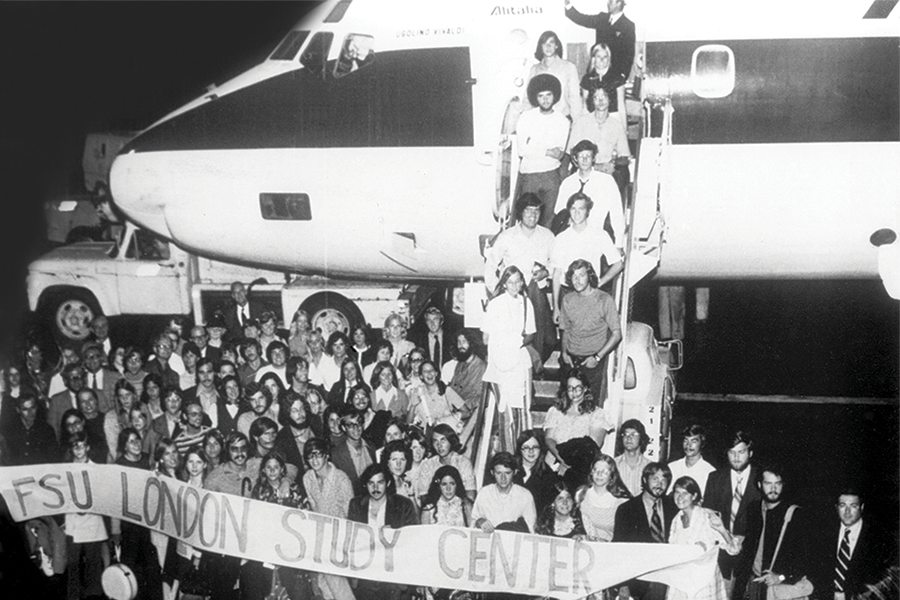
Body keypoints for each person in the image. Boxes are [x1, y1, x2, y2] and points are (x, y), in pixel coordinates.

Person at [484, 193, 557, 363]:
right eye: (528, 211)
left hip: (537, 293)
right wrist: (497, 292)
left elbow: (556, 264)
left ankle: (534, 365)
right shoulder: (507, 236)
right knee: (515, 337)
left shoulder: (547, 236)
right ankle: (516, 364)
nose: (533, 215)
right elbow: (491, 265)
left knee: (549, 339)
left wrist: (546, 272)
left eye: (537, 211)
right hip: (513, 296)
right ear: (520, 213)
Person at [482, 266, 536, 452]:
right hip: (499, 364)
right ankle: (508, 455)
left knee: (524, 410)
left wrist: (516, 343)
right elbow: (486, 337)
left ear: (522, 282)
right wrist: (503, 347)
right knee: (505, 411)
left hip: (520, 362)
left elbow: (530, 334)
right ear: (504, 283)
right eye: (510, 281)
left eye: (518, 281)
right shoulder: (495, 304)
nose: (515, 285)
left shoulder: (527, 303)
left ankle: (525, 455)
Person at [739, 465, 813, 600]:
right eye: (768, 483)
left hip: (778, 587)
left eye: (777, 484)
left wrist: (780, 577)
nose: (773, 489)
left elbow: (804, 559)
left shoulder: (796, 515)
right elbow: (748, 551)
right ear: (759, 484)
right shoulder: (754, 509)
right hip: (754, 584)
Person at [703, 431, 761, 598]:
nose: (736, 457)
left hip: (752, 555)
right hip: (722, 555)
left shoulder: (761, 478)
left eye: (741, 452)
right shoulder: (715, 478)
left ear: (750, 453)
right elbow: (709, 516)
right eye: (732, 452)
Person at [244, 453, 310, 600]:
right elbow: (254, 520)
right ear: (263, 471)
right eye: (269, 467)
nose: (272, 471)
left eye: (276, 467)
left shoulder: (294, 489)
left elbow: (306, 515)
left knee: (295, 584)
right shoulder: (259, 491)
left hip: (292, 546)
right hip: (267, 546)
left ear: (282, 470)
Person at [347, 464, 418, 600]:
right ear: (365, 485)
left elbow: (412, 540)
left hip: (393, 577)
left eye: (380, 483)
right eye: (371, 483)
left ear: (388, 483)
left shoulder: (403, 505)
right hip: (366, 575)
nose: (375, 488)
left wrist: (395, 536)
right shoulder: (356, 505)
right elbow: (350, 539)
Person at [558, 258, 623, 403]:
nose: (577, 280)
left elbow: (617, 334)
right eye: (574, 277)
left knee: (590, 407)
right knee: (568, 406)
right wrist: (564, 353)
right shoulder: (567, 299)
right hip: (570, 361)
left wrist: (597, 357)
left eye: (581, 275)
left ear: (590, 276)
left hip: (592, 362)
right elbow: (565, 329)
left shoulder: (604, 299)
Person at [667, 476, 741, 600]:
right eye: (677, 492)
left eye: (685, 493)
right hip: (682, 582)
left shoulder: (707, 516)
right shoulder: (676, 520)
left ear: (694, 496)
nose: (680, 497)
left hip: (705, 583)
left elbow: (734, 549)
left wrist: (722, 529)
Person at [551, 194, 624, 319]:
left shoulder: (599, 234)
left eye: (581, 209)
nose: (577, 213)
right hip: (567, 293)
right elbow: (557, 273)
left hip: (590, 293)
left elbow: (618, 264)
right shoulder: (561, 238)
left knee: (590, 334)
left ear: (588, 211)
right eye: (573, 209)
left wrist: (599, 283)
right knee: (567, 336)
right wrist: (556, 307)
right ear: (569, 211)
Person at [301, 438, 356, 600]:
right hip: (320, 538)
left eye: (318, 455)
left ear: (326, 456)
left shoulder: (341, 479)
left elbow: (349, 514)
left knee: (337, 584)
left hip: (339, 539)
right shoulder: (308, 478)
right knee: (323, 584)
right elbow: (313, 507)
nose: (315, 460)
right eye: (310, 456)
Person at [613, 462, 677, 600]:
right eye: (655, 479)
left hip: (668, 579)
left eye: (664, 480)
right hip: (638, 583)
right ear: (644, 480)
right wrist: (623, 585)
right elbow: (619, 549)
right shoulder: (626, 509)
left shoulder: (673, 507)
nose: (659, 484)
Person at [113, 427, 163, 600]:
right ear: (124, 446)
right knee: (132, 569)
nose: (136, 444)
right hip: (128, 524)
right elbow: (115, 500)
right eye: (131, 441)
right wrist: (115, 529)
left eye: (137, 439)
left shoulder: (147, 461)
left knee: (152, 567)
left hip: (147, 523)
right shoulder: (118, 465)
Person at [516, 73, 571, 228]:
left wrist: (534, 146)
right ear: (535, 97)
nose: (545, 99)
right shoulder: (525, 118)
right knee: (527, 220)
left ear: (555, 96)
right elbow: (522, 150)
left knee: (548, 221)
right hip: (529, 176)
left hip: (551, 176)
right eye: (541, 96)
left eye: (548, 95)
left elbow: (558, 154)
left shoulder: (562, 121)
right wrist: (547, 151)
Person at [544, 369, 611, 489]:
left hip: (580, 471)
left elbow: (592, 445)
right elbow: (549, 439)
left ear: (585, 388)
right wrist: (561, 459)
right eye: (570, 388)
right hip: (554, 465)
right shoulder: (555, 411)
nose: (574, 392)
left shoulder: (597, 414)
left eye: (578, 388)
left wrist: (569, 464)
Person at [64, 431, 110, 600]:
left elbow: (103, 494)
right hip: (73, 522)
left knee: (93, 564)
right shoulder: (64, 470)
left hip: (92, 522)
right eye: (74, 446)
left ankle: (94, 596)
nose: (78, 449)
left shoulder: (96, 469)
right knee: (73, 564)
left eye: (81, 445)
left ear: (88, 447)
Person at [824, 488, 893, 600]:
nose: (847, 511)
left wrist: (849, 596)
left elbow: (884, 580)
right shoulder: (824, 534)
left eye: (853, 506)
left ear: (862, 508)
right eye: (842, 505)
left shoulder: (879, 539)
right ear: (836, 508)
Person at [556, 138, 625, 244]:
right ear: (575, 159)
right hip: (571, 239)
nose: (584, 160)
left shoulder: (606, 181)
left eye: (588, 156)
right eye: (581, 156)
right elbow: (559, 212)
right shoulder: (568, 183)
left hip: (596, 239)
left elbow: (617, 213)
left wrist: (619, 243)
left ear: (593, 159)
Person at [564, 0, 636, 85]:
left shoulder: (628, 25)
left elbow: (629, 54)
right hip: (596, 71)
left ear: (619, 3)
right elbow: (582, 19)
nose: (607, 3)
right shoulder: (602, 18)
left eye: (611, 1)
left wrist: (623, 76)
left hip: (615, 76)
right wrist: (568, 4)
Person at [473, 451, 537, 533]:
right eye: (499, 473)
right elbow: (473, 521)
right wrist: (479, 521)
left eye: (507, 473)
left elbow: (531, 529)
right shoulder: (484, 493)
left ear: (515, 472)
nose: (503, 478)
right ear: (492, 472)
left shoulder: (524, 495)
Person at [526, 30, 582, 119]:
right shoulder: (535, 69)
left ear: (556, 46)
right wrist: (526, 119)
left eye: (551, 43)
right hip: (540, 120)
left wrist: (576, 123)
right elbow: (528, 99)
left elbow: (575, 98)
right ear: (540, 47)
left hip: (563, 119)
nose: (548, 46)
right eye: (544, 43)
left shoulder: (569, 67)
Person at [577, 454, 631, 542]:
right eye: (596, 470)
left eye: (605, 471)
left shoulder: (621, 501)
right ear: (591, 472)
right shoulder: (581, 495)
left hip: (610, 548)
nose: (599, 474)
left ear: (611, 475)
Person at [417, 423, 477, 501]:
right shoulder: (428, 465)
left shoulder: (463, 462)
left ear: (451, 440)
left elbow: (470, 495)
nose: (439, 445)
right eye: (435, 441)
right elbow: (424, 496)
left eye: (443, 440)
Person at [407, 359, 466, 433]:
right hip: (425, 436)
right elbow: (408, 423)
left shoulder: (447, 391)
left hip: (445, 434)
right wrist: (412, 406)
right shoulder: (417, 392)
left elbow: (466, 412)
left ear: (436, 373)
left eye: (431, 370)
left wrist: (447, 419)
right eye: (425, 371)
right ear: (421, 376)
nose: (429, 374)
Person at [445, 329, 487, 422]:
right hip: (454, 410)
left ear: (472, 343)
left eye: (464, 341)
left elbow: (481, 398)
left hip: (469, 417)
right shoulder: (461, 363)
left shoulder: (481, 367)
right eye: (458, 342)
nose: (460, 346)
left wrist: (462, 406)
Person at [330, 409, 376, 495]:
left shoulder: (371, 447)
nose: (356, 428)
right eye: (350, 425)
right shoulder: (336, 454)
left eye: (359, 423)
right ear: (344, 428)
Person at [514, 429, 558, 512]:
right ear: (520, 449)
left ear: (540, 449)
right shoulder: (509, 467)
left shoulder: (548, 474)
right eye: (526, 447)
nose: (531, 451)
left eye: (535, 447)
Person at [668, 424, 716, 495]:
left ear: (702, 444)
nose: (688, 445)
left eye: (694, 441)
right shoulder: (672, 467)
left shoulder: (710, 472)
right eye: (685, 440)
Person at [273, 390, 314, 473]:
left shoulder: (316, 425)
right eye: (294, 411)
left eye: (302, 408)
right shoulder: (283, 437)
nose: (300, 414)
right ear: (287, 414)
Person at [580, 42, 625, 114]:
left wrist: (623, 125)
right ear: (593, 58)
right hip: (593, 118)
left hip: (613, 118)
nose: (602, 60)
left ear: (609, 58)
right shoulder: (587, 79)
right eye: (599, 56)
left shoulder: (617, 78)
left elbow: (621, 107)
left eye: (605, 57)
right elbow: (584, 107)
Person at [46, 363, 85, 441]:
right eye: (73, 378)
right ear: (65, 381)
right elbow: (53, 430)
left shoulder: (93, 396)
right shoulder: (56, 400)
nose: (77, 381)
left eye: (80, 377)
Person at [615, 418, 652, 497]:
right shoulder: (614, 464)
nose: (629, 438)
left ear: (641, 438)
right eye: (625, 434)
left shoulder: (650, 466)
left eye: (633, 434)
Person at [104, 379, 138, 463]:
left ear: (133, 395)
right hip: (119, 459)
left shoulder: (142, 411)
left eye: (128, 395)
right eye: (121, 396)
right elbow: (112, 445)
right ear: (117, 398)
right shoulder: (111, 416)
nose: (125, 399)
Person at [81, 342, 119, 414]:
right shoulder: (81, 380)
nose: (91, 360)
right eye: (87, 357)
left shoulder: (115, 378)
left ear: (101, 358)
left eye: (94, 357)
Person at [381, 439, 417, 503]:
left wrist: (411, 495)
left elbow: (416, 513)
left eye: (402, 459)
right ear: (387, 462)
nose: (398, 464)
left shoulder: (407, 482)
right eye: (394, 459)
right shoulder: (383, 484)